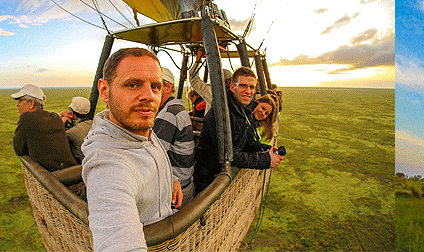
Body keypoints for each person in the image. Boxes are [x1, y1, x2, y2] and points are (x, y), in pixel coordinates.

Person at [81, 48, 183, 251]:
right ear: (104, 90)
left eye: (155, 87)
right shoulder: (108, 166)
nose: (149, 96)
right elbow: (117, 241)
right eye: (133, 84)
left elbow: (145, 156)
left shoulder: (138, 124)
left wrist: (169, 178)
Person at [193, 67, 284, 194]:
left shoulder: (243, 109)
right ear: (232, 87)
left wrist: (264, 149)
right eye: (243, 86)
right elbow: (228, 155)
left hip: (219, 176)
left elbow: (246, 139)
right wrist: (265, 160)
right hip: (208, 179)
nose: (248, 91)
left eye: (252, 87)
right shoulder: (221, 114)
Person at [154, 67, 196, 207]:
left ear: (168, 87)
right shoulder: (175, 109)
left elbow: (152, 155)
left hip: (176, 189)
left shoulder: (169, 114)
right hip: (184, 182)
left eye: (155, 86)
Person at [12, 84, 78, 171]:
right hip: (74, 171)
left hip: (56, 179)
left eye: (20, 100)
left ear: (31, 103)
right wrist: (61, 114)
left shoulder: (26, 118)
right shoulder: (55, 117)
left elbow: (18, 149)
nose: (17, 104)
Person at [61, 96, 93, 163]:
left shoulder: (71, 133)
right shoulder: (94, 124)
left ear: (72, 112)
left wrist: (62, 122)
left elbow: (58, 138)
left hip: (81, 165)